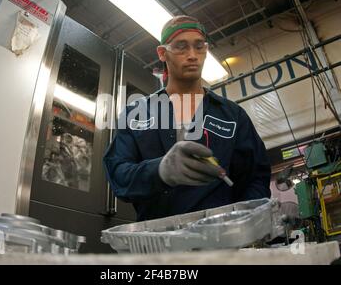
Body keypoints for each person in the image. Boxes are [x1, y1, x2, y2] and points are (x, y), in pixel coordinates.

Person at [103, 15, 271, 221]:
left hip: (220, 240)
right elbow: (118, 175)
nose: (192, 55)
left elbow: (256, 177)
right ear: (163, 53)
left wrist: (247, 219)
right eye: (181, 47)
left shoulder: (232, 115)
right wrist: (160, 171)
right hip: (157, 242)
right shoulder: (137, 114)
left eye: (199, 46)